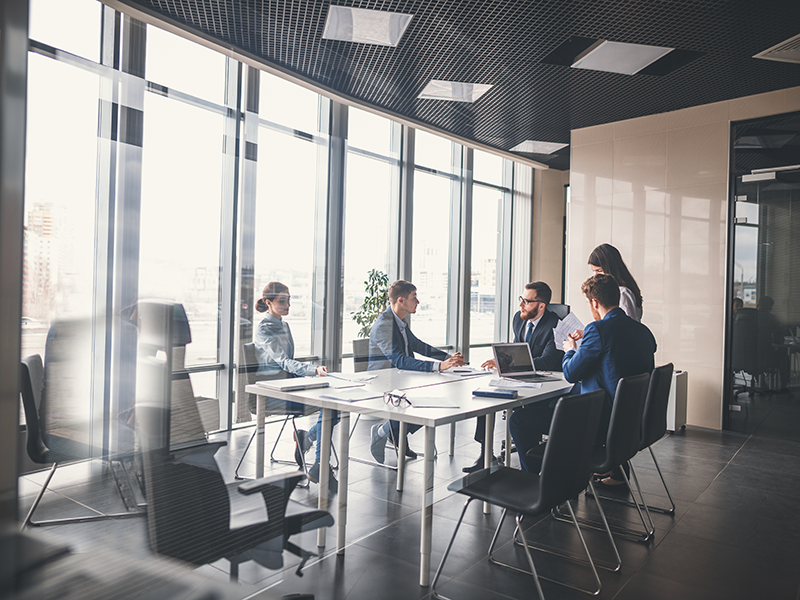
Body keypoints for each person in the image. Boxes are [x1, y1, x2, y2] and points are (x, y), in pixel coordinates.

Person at [509, 274, 656, 486]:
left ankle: (535, 484)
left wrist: (569, 351)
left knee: (519, 419)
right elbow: (618, 359)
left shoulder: (597, 330)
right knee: (554, 404)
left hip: (597, 422)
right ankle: (561, 471)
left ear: (594, 302)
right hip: (630, 422)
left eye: (589, 303)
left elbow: (570, 373)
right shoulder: (643, 331)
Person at [464, 281, 564, 473]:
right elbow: (517, 351)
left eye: (526, 301)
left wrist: (510, 364)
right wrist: (501, 360)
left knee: (524, 415)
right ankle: (486, 455)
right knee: (487, 396)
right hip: (519, 376)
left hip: (546, 383)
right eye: (521, 299)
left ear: (541, 305)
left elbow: (547, 361)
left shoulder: (555, 326)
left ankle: (532, 465)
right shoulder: (519, 319)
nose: (521, 305)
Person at [368, 280, 465, 463]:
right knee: (424, 404)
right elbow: (399, 360)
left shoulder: (400, 322)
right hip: (383, 383)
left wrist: (448, 358)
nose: (418, 302)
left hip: (400, 379)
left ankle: (394, 432)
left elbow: (418, 345)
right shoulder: (384, 325)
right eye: (414, 297)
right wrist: (438, 366)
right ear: (401, 300)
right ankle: (383, 431)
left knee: (430, 402)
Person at [254, 281, 338, 491]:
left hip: (289, 385)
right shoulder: (264, 329)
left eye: (289, 300)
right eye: (282, 301)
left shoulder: (284, 325)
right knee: (329, 407)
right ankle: (319, 463)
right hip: (272, 392)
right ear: (268, 302)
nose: (288, 305)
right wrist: (313, 370)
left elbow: (288, 364)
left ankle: (308, 440)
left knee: (334, 404)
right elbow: (283, 361)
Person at [588, 243, 643, 322]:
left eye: (599, 271)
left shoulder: (623, 293)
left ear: (610, 268)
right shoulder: (618, 291)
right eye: (594, 271)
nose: (595, 276)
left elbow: (626, 327)